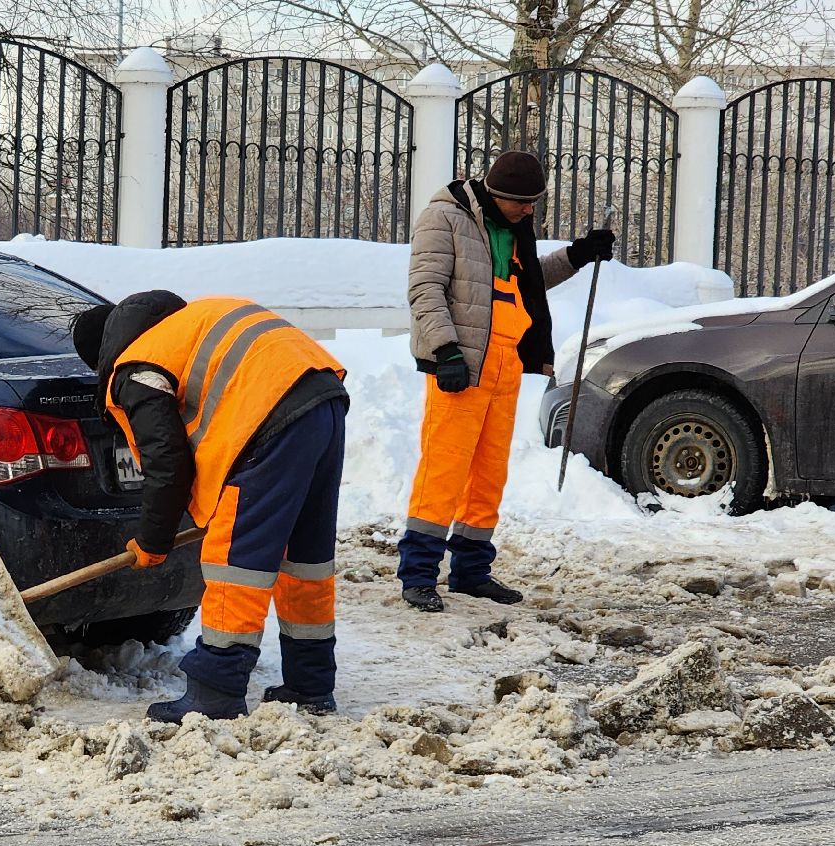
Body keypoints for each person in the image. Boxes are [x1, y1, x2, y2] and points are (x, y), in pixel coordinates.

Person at [73, 291, 348, 721]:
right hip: (323, 400)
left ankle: (214, 692)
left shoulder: (136, 366)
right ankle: (310, 685)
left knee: (235, 561)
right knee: (304, 559)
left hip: (269, 421)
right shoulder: (194, 322)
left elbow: (167, 462)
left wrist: (153, 540)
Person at [398, 150, 616, 612]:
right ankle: (418, 574)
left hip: (504, 364)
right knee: (443, 471)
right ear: (497, 195)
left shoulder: (512, 227)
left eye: (535, 203)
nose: (530, 211)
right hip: (462, 362)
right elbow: (425, 289)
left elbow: (529, 281)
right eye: (523, 203)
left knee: (489, 473)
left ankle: (471, 572)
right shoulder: (444, 219)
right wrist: (444, 350)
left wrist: (578, 254)